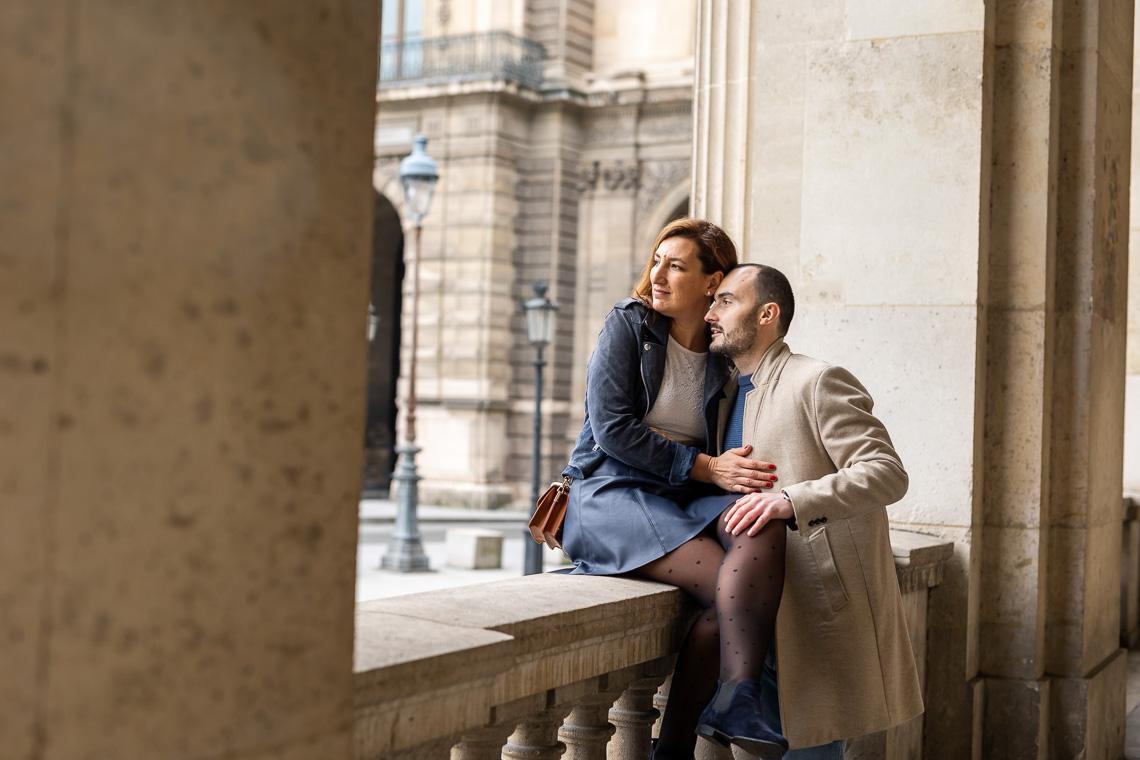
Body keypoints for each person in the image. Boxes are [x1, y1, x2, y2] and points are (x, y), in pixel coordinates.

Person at [562, 218, 789, 759]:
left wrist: (743, 475)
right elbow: (613, 430)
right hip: (606, 493)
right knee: (724, 589)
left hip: (675, 499)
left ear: (713, 283)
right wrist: (706, 467)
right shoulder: (628, 323)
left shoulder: (720, 354)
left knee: (764, 518)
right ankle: (683, 741)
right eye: (657, 261)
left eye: (677, 265)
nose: (657, 275)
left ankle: (732, 701)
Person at [699, 263, 923, 757]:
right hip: (750, 624)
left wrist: (789, 500)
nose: (710, 312)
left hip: (812, 615)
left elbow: (886, 471)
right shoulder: (722, 396)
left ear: (767, 313)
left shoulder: (816, 380)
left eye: (727, 301)